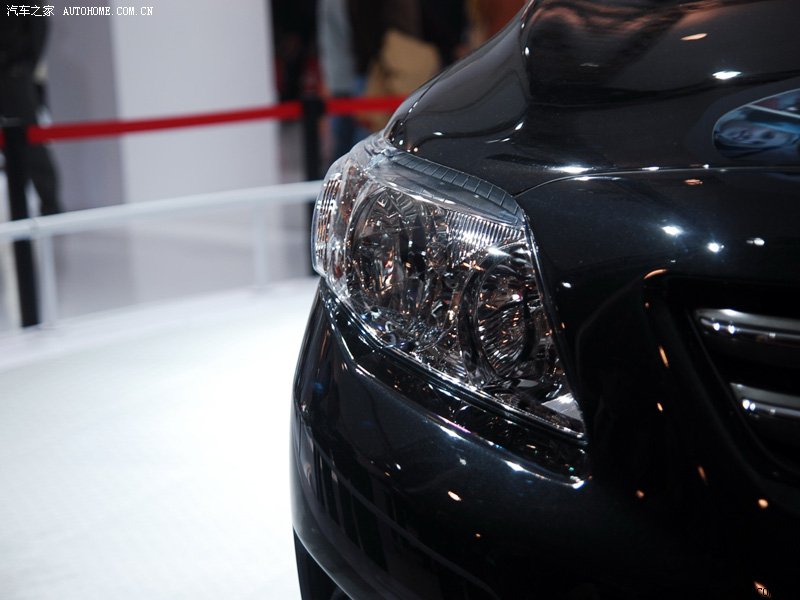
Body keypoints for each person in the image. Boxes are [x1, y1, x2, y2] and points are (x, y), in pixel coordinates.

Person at [0, 16, 61, 216]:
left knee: (32, 145)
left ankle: (50, 209)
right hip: (12, 73)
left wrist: (23, 66)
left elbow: (39, 25)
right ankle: (19, 214)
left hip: (15, 75)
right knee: (11, 150)